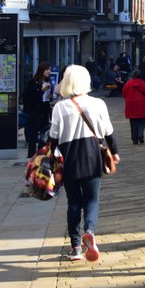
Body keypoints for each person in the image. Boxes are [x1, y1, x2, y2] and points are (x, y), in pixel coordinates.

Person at [48, 64, 120, 262]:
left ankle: (76, 246)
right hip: (92, 156)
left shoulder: (60, 108)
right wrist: (114, 153)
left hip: (69, 157)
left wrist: (49, 158)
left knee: (73, 203)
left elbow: (53, 138)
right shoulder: (98, 104)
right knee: (91, 200)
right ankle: (90, 230)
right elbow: (108, 132)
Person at [22, 62, 54, 157]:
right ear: (41, 70)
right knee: (34, 133)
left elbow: (49, 98)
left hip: (44, 110)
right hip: (35, 111)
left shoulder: (48, 82)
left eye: (50, 69)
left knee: (44, 133)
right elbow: (30, 96)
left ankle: (41, 153)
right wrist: (40, 90)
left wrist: (50, 96)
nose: (49, 71)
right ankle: (31, 154)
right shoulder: (33, 82)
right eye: (47, 69)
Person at [122, 69, 145, 144]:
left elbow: (124, 93)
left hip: (131, 105)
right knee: (142, 121)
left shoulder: (128, 84)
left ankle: (134, 139)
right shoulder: (143, 84)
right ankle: (140, 133)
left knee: (133, 123)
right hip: (142, 105)